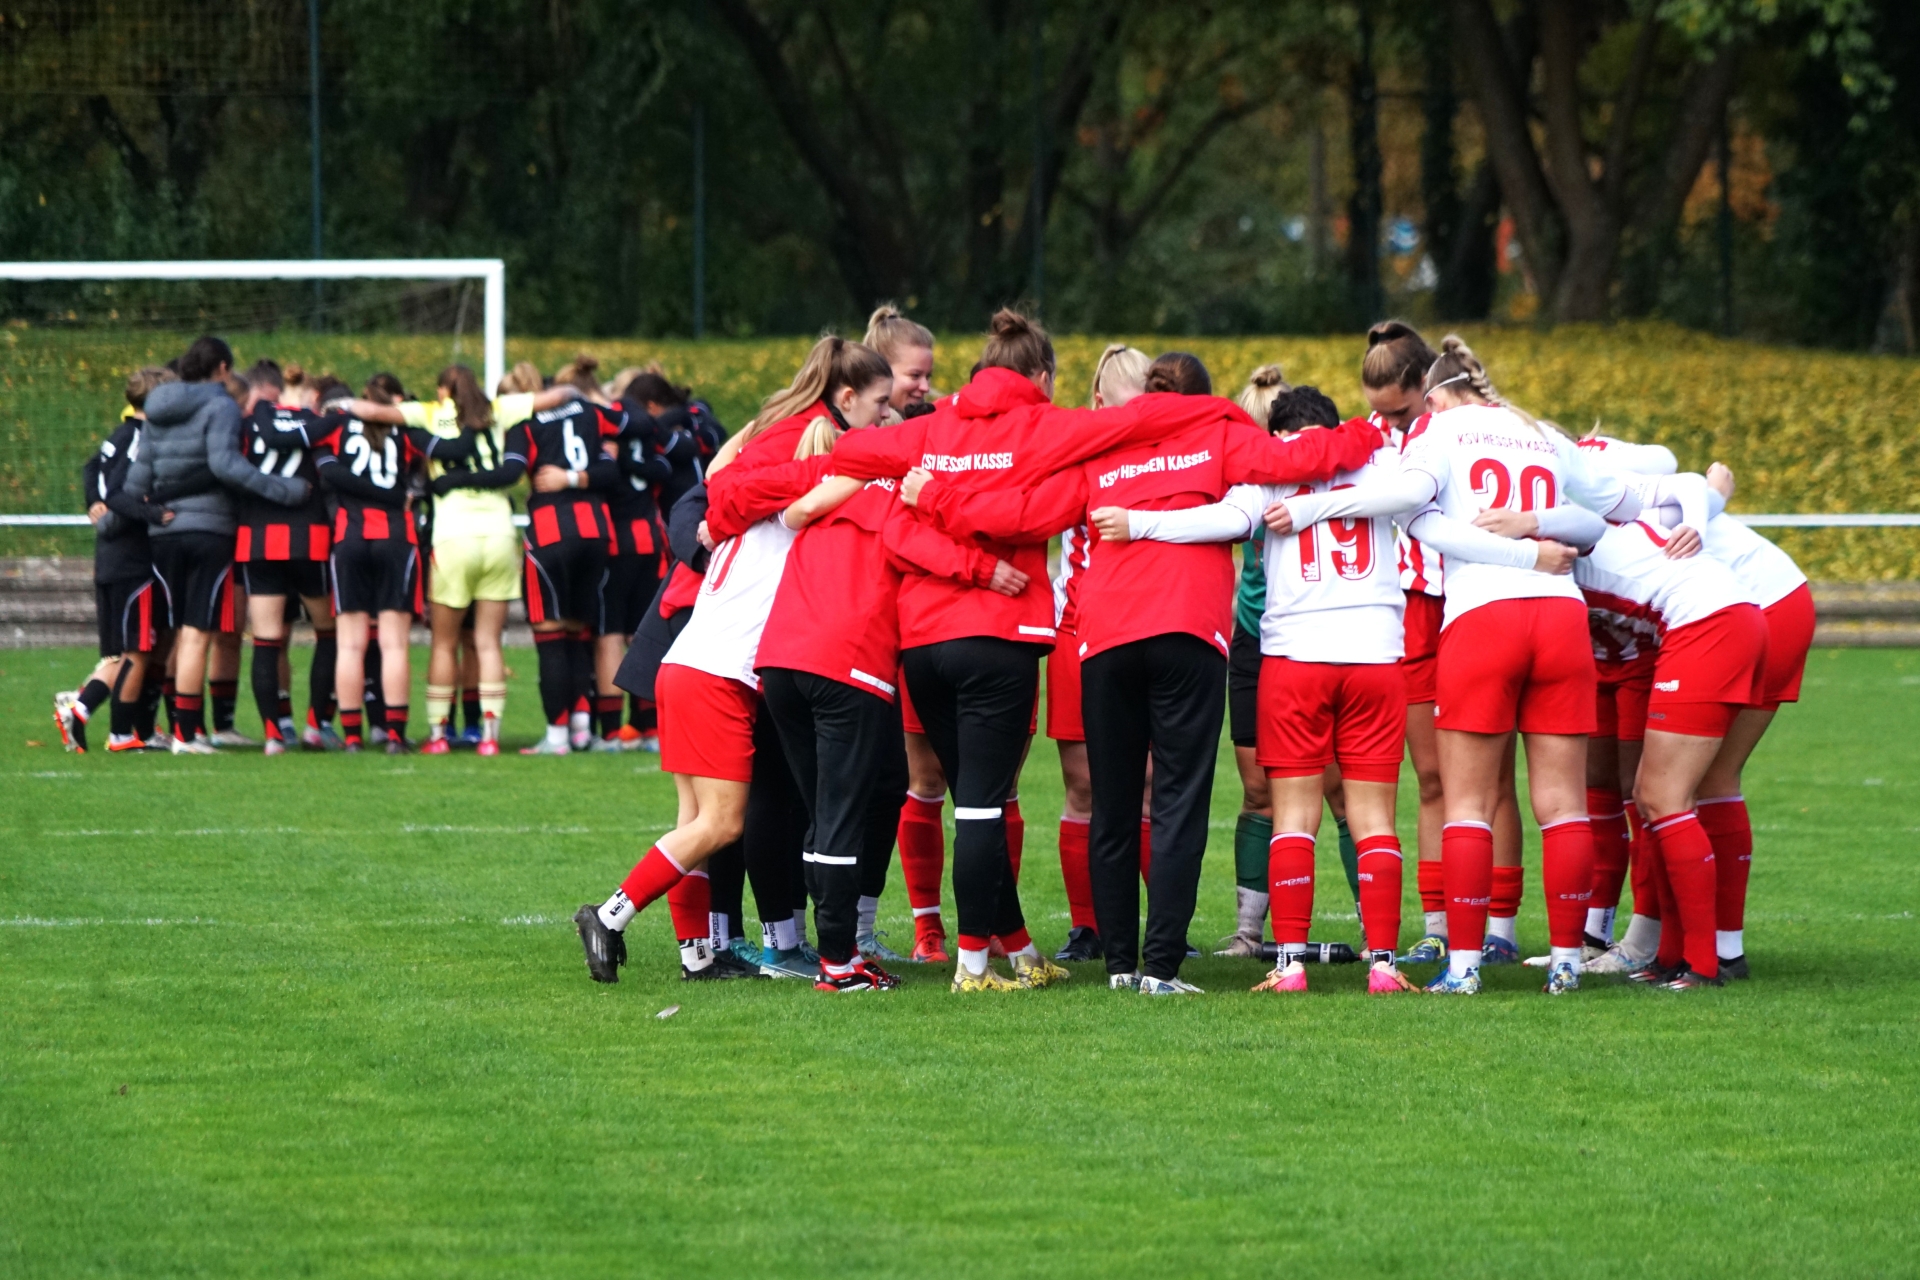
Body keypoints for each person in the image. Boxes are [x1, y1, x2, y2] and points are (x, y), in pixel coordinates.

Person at [900, 348, 1384, 995]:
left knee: (1113, 802)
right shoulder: (1218, 435)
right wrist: (1371, 430)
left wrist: (933, 495)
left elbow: (1021, 515)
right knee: (1178, 800)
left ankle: (1120, 966)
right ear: (1202, 396)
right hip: (1188, 630)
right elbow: (1300, 459)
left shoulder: (1103, 448)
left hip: (1107, 636)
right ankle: (1160, 968)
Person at [1268, 336, 1649, 995]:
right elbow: (1618, 512)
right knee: (1563, 805)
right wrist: (1536, 523)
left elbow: (1410, 505)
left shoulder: (1439, 431)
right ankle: (1565, 963)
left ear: (1436, 396)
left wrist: (1309, 506)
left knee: (1467, 801)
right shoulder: (1540, 431)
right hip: (1561, 617)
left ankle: (1465, 966)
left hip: (1484, 618)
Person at [572, 337, 883, 985]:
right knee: (720, 822)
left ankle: (696, 956)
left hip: (686, 663)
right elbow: (801, 495)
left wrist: (766, 443)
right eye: (877, 408)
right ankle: (609, 914)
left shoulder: (744, 508)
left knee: (695, 823)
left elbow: (724, 473)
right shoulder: (791, 512)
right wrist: (866, 466)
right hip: (715, 675)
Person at [1096, 383, 1422, 994]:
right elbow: (1421, 496)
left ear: (1280, 438)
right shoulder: (1382, 460)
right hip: (1376, 654)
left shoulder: (1270, 471)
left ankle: (1290, 964)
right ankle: (1383, 963)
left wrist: (1139, 522)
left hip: (1295, 657)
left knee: (1291, 812)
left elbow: (1225, 520)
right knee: (1374, 816)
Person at [347, 367, 578, 755]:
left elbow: (373, 412)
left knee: (444, 643)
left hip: (453, 535)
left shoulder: (430, 412)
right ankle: (489, 738)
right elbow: (557, 396)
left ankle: (439, 736)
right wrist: (577, 391)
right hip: (499, 534)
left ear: (443, 390)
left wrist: (339, 404)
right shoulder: (499, 409)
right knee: (488, 642)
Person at [124, 336, 311, 754]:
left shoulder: (156, 408)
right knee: (198, 632)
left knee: (174, 632)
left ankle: (165, 727)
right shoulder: (220, 404)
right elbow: (225, 465)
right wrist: (285, 490)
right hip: (208, 529)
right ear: (223, 368)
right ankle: (188, 734)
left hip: (163, 532)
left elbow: (138, 478)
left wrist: (119, 517)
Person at [1048, 344, 1153, 963]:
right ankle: (1086, 927)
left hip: (1146, 625)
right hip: (1077, 629)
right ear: (1097, 402)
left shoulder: (1166, 455)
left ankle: (1159, 924)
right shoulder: (1075, 453)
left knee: (1149, 784)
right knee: (1083, 784)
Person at [862, 305, 957, 964]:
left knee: (974, 782)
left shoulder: (941, 429)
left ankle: (991, 928)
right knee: (915, 779)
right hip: (879, 631)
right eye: (912, 376)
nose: (925, 386)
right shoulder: (848, 439)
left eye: (929, 374)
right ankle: (925, 929)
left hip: (942, 620)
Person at [314, 384, 482, 752]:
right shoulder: (406, 430)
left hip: (350, 536)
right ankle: (394, 734)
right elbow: (442, 455)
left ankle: (352, 737)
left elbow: (325, 468)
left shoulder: (337, 427)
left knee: (350, 644)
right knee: (394, 644)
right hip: (396, 538)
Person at [55, 366, 176, 753]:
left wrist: (93, 500)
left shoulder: (119, 434)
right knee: (137, 651)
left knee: (123, 653)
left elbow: (92, 468)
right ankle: (112, 729)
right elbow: (121, 492)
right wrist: (152, 512)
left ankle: (92, 714)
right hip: (131, 558)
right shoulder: (141, 437)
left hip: (109, 557)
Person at [233, 361, 339, 755]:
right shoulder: (316, 422)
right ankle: (315, 726)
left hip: (258, 538)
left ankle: (274, 736)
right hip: (308, 537)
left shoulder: (248, 424)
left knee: (266, 639)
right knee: (328, 632)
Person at [599, 365, 674, 750]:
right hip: (651, 537)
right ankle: (649, 726)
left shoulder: (612, 421)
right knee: (643, 636)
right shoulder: (651, 427)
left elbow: (605, 473)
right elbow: (663, 466)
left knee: (610, 634)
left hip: (616, 538)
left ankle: (612, 730)